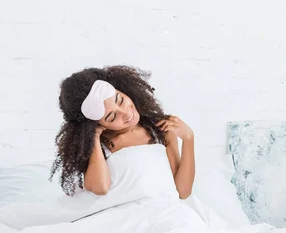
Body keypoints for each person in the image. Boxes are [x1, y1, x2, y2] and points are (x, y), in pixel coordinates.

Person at [51, 65, 195, 198]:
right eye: (112, 116)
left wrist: (189, 139)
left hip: (158, 211)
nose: (125, 113)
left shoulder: (160, 130)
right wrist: (93, 137)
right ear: (98, 124)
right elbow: (100, 188)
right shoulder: (100, 146)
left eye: (120, 100)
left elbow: (182, 192)